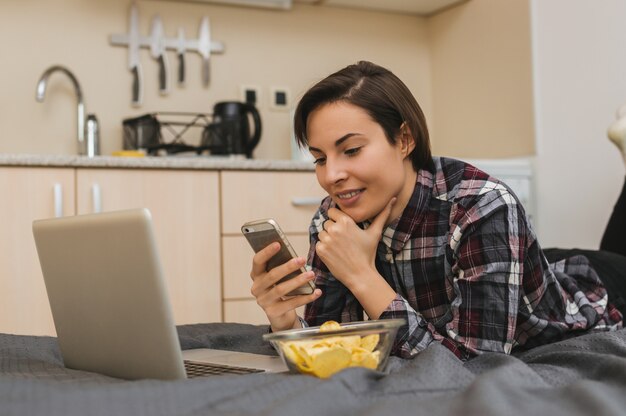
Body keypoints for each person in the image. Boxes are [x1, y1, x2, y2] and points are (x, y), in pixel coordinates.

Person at [249, 61, 625, 361]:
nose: (331, 176)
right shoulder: (336, 218)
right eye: (318, 159)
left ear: (405, 140)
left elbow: (476, 362)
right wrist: (284, 321)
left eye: (350, 150)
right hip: (516, 270)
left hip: (589, 296)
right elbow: (337, 343)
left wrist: (363, 277)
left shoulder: (484, 206)